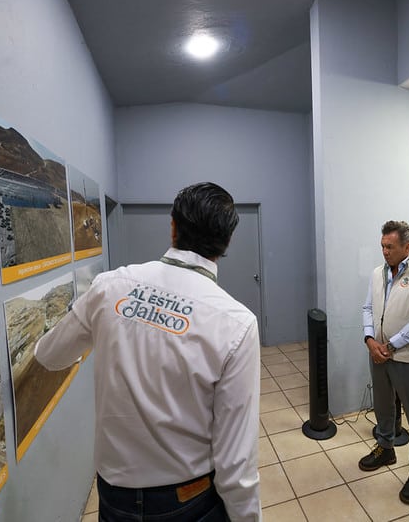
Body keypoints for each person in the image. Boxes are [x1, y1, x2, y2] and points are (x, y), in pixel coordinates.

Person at [34, 182, 261, 522]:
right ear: (227, 241)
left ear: (173, 226)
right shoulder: (236, 323)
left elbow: (49, 356)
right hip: (190, 499)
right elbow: (236, 461)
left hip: (115, 495)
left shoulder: (111, 286)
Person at [360, 220, 409, 504]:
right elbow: (368, 308)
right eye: (382, 246)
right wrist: (370, 340)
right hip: (378, 353)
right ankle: (386, 448)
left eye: (390, 246)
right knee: (383, 407)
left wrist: (390, 346)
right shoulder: (377, 274)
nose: (385, 251)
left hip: (406, 357)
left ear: (407, 246)